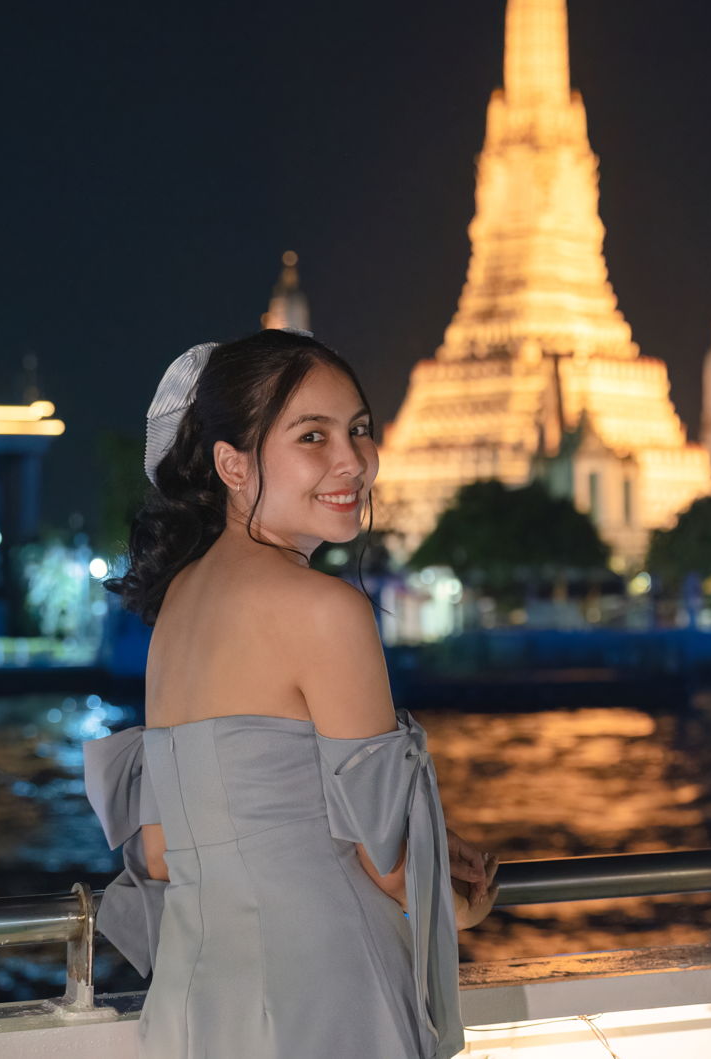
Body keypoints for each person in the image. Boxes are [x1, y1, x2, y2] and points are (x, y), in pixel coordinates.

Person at [85, 328, 498, 1058]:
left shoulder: (178, 603)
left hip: (197, 1006)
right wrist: (461, 905)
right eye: (313, 436)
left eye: (359, 429)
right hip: (326, 995)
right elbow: (386, 864)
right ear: (232, 464)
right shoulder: (323, 609)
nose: (353, 461)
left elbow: (159, 851)